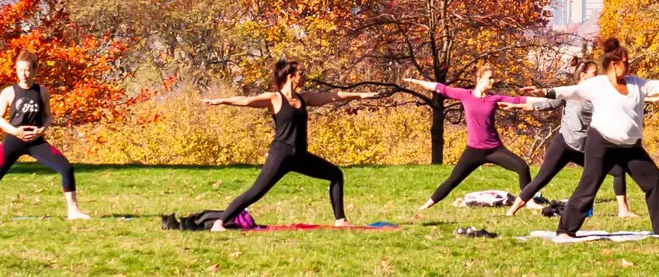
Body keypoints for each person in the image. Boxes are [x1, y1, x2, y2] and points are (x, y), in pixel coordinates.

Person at [546, 37, 659, 239]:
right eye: (626, 61)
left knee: (655, 181)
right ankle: (565, 230)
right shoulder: (597, 84)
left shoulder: (637, 84)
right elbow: (571, 91)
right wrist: (546, 92)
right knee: (589, 186)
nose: (629, 64)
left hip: (631, 148)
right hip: (601, 144)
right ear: (614, 64)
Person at [204, 58, 386, 229]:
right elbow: (246, 101)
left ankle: (341, 220)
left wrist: (358, 95)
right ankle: (219, 222)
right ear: (291, 77)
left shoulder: (304, 98)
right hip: (280, 155)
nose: (305, 76)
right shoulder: (275, 99)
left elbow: (334, 96)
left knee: (336, 174)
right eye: (302, 73)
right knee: (256, 192)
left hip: (300, 156)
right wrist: (219, 101)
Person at [0, 50, 90, 220]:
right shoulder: (8, 92)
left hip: (36, 142)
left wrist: (42, 130)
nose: (23, 74)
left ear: (34, 71)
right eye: (20, 70)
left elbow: (48, 116)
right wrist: (15, 131)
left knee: (66, 168)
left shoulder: (42, 92)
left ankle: (73, 211)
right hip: (14, 140)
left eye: (27, 70)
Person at [506, 60, 636, 218]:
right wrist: (514, 106)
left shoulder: (599, 95)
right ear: (583, 75)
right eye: (594, 74)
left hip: (585, 147)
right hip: (564, 144)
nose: (597, 77)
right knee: (542, 178)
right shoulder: (571, 92)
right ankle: (512, 210)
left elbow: (622, 101)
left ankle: (624, 210)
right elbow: (542, 104)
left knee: (617, 170)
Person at [405, 66, 537, 209]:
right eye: (489, 78)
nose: (493, 81)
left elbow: (518, 100)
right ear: (479, 79)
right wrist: (417, 82)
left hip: (495, 149)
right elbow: (440, 88)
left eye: (493, 78)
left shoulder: (494, 99)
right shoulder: (465, 95)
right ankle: (427, 205)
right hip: (473, 151)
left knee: (522, 167)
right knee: (453, 180)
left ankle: (529, 202)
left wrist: (546, 96)